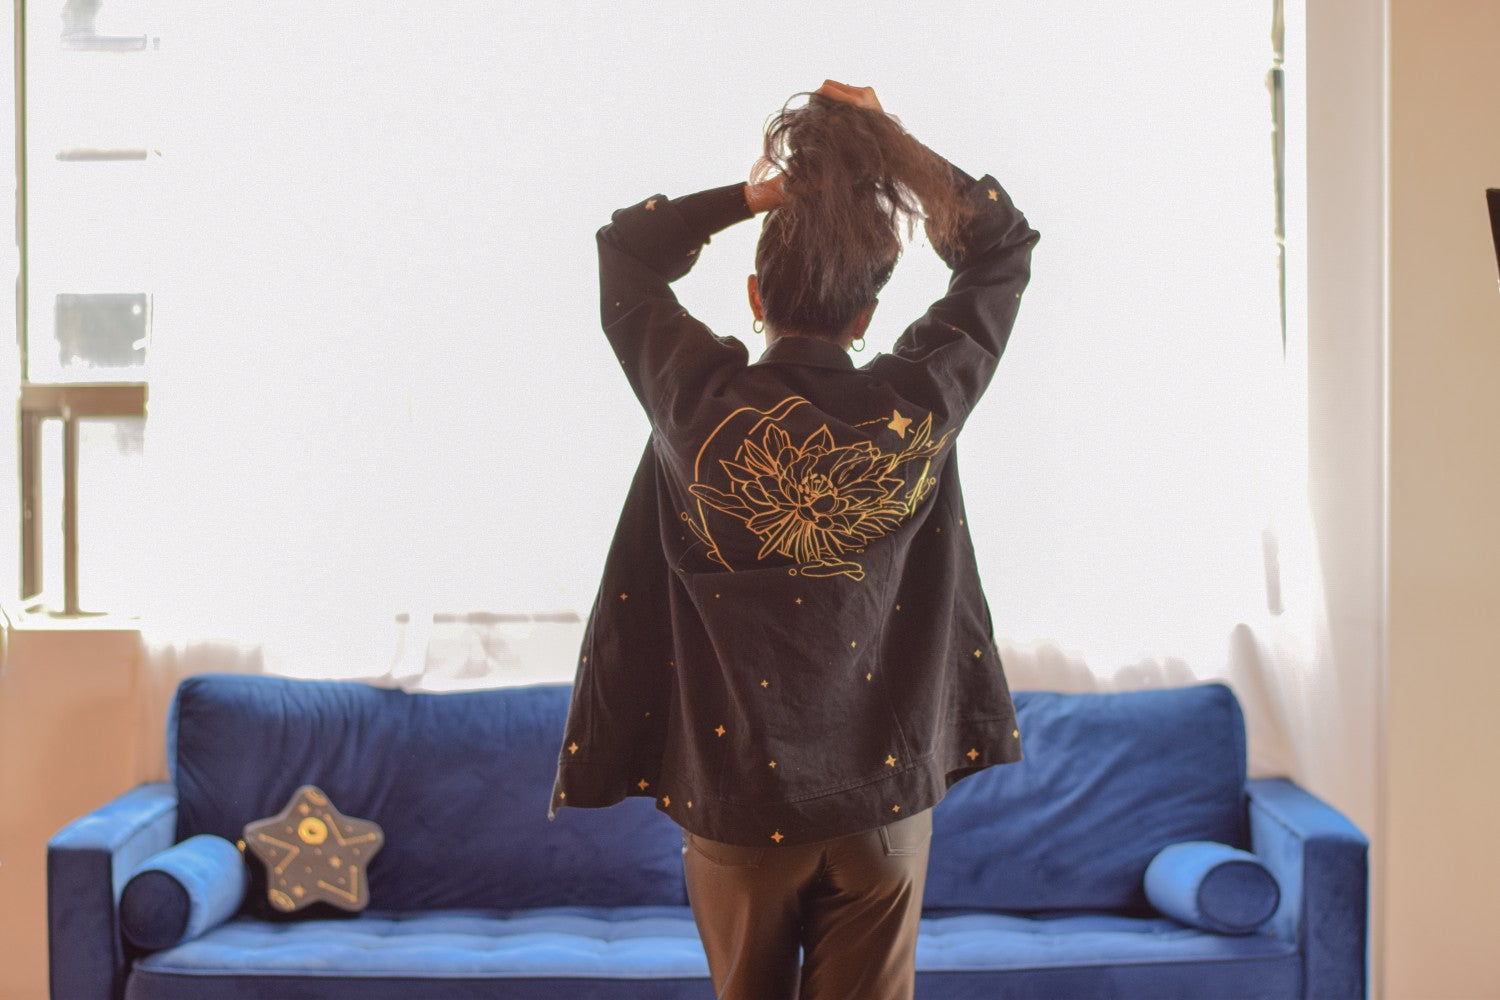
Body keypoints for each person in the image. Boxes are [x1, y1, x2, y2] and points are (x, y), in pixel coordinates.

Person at [550, 80, 1040, 999]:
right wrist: (886, 146)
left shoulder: (697, 403)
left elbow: (626, 249)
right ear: (867, 315)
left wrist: (769, 193)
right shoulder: (914, 407)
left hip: (738, 809)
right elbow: (1000, 248)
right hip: (881, 810)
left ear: (750, 294)